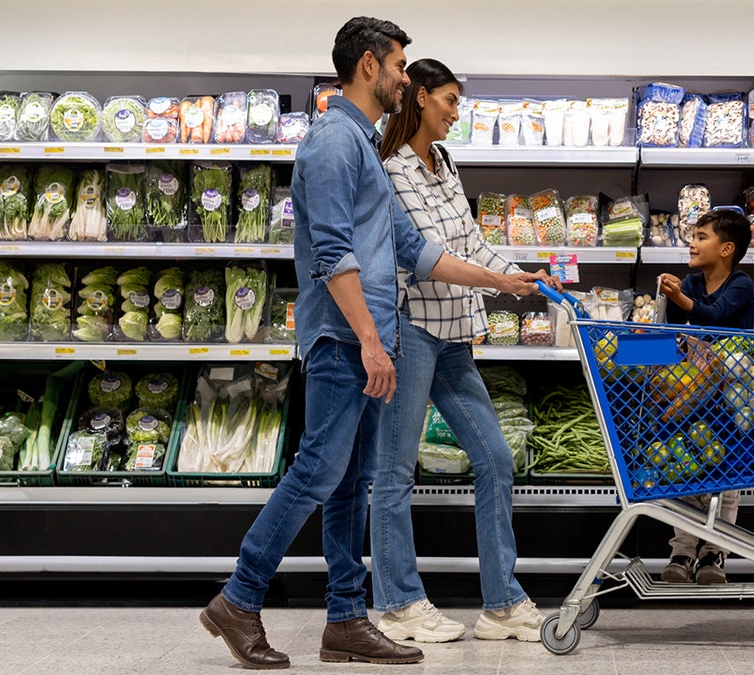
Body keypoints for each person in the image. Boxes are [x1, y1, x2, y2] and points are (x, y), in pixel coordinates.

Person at [198, 17, 542, 669]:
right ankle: (239, 597)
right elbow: (332, 253)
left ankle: (346, 618)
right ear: (366, 66)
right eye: (398, 66)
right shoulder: (333, 141)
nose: (405, 78)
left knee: (351, 480)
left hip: (370, 338)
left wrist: (500, 279)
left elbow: (411, 248)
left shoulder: (366, 145)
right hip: (341, 339)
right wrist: (369, 339)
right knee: (319, 469)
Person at [369, 58, 552, 644]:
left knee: (495, 458)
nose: (455, 112)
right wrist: (496, 283)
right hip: (411, 330)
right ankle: (398, 602)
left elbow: (470, 241)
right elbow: (424, 256)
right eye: (448, 100)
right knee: (395, 471)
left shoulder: (445, 162)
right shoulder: (393, 169)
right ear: (420, 98)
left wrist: (518, 275)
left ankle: (501, 602)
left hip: (452, 337)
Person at [657, 208, 754, 585]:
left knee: (726, 476)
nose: (692, 243)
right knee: (683, 467)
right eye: (693, 236)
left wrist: (681, 298)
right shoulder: (692, 282)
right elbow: (674, 330)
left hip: (732, 395)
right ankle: (682, 550)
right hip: (690, 389)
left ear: (727, 248)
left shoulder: (741, 283)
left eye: (701, 237)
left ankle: (714, 550)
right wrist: (667, 297)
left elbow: (714, 317)